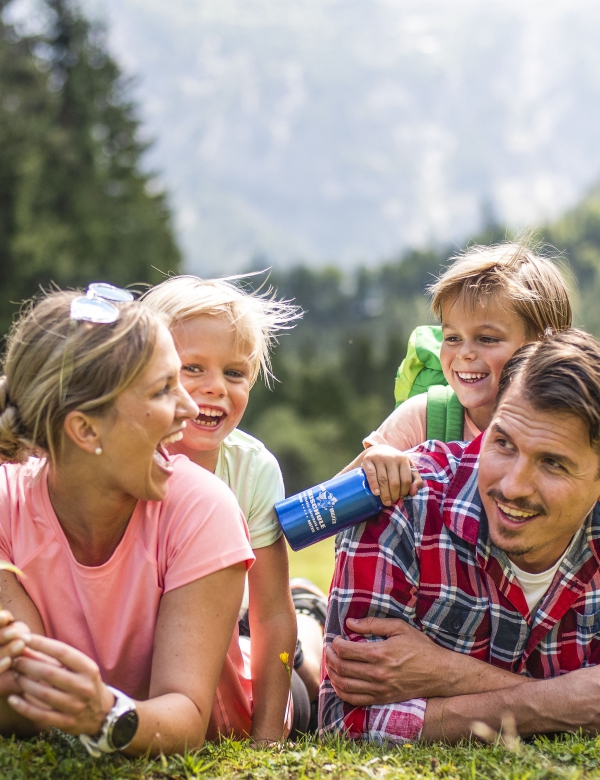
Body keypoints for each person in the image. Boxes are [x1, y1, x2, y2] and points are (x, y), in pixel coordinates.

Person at [0, 286, 254, 757]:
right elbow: (28, 698)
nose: (191, 407)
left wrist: (103, 712)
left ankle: (307, 619)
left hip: (243, 706)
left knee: (301, 663)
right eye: (163, 390)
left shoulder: (204, 509)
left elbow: (187, 718)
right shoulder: (4, 508)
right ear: (85, 429)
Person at [321, 329, 600, 743]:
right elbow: (345, 722)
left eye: (553, 464)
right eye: (502, 443)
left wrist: (447, 673)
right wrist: (558, 703)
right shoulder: (401, 502)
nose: (513, 486)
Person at [142, 275, 325, 741]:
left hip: (237, 628)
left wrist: (267, 738)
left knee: (308, 690)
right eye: (193, 368)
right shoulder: (127, 458)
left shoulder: (252, 469)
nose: (215, 388)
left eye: (234, 373)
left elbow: (270, 614)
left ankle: (313, 617)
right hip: (187, 632)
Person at [343, 243, 572, 505]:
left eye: (486, 338)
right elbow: (323, 507)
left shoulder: (570, 424)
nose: (464, 353)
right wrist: (376, 462)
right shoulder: (424, 417)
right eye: (451, 337)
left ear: (544, 345)